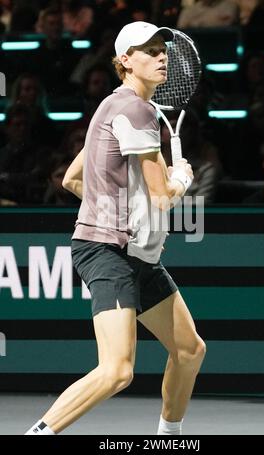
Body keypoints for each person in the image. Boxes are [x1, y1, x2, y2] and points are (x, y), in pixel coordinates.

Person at [25, 21, 206, 436]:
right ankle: (38, 433)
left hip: (135, 253)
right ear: (125, 61)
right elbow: (163, 196)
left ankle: (167, 439)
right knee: (117, 370)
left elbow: (73, 178)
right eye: (149, 50)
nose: (161, 56)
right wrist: (182, 178)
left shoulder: (111, 107)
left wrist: (121, 211)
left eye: (163, 49)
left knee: (189, 350)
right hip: (109, 252)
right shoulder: (136, 110)